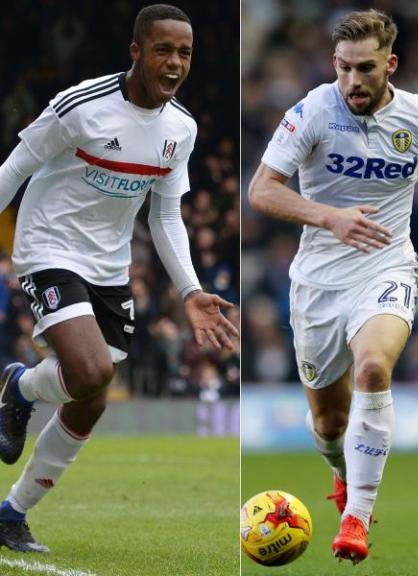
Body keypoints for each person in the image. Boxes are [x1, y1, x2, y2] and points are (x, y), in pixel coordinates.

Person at [0, 4, 239, 553]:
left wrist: (191, 290)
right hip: (48, 246)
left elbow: (166, 215)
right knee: (89, 370)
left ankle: (12, 510)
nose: (175, 62)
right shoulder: (81, 107)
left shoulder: (181, 129)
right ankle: (18, 387)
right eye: (163, 49)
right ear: (136, 52)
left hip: (109, 266)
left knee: (93, 396)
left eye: (184, 53)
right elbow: (15, 167)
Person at [247, 9, 418, 564]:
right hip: (318, 282)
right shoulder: (310, 113)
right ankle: (341, 472)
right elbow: (261, 190)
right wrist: (330, 218)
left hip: (388, 266)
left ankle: (356, 519)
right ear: (334, 64)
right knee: (329, 423)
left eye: (366, 68)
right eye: (344, 67)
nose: (353, 80)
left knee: (374, 366)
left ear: (389, 64)